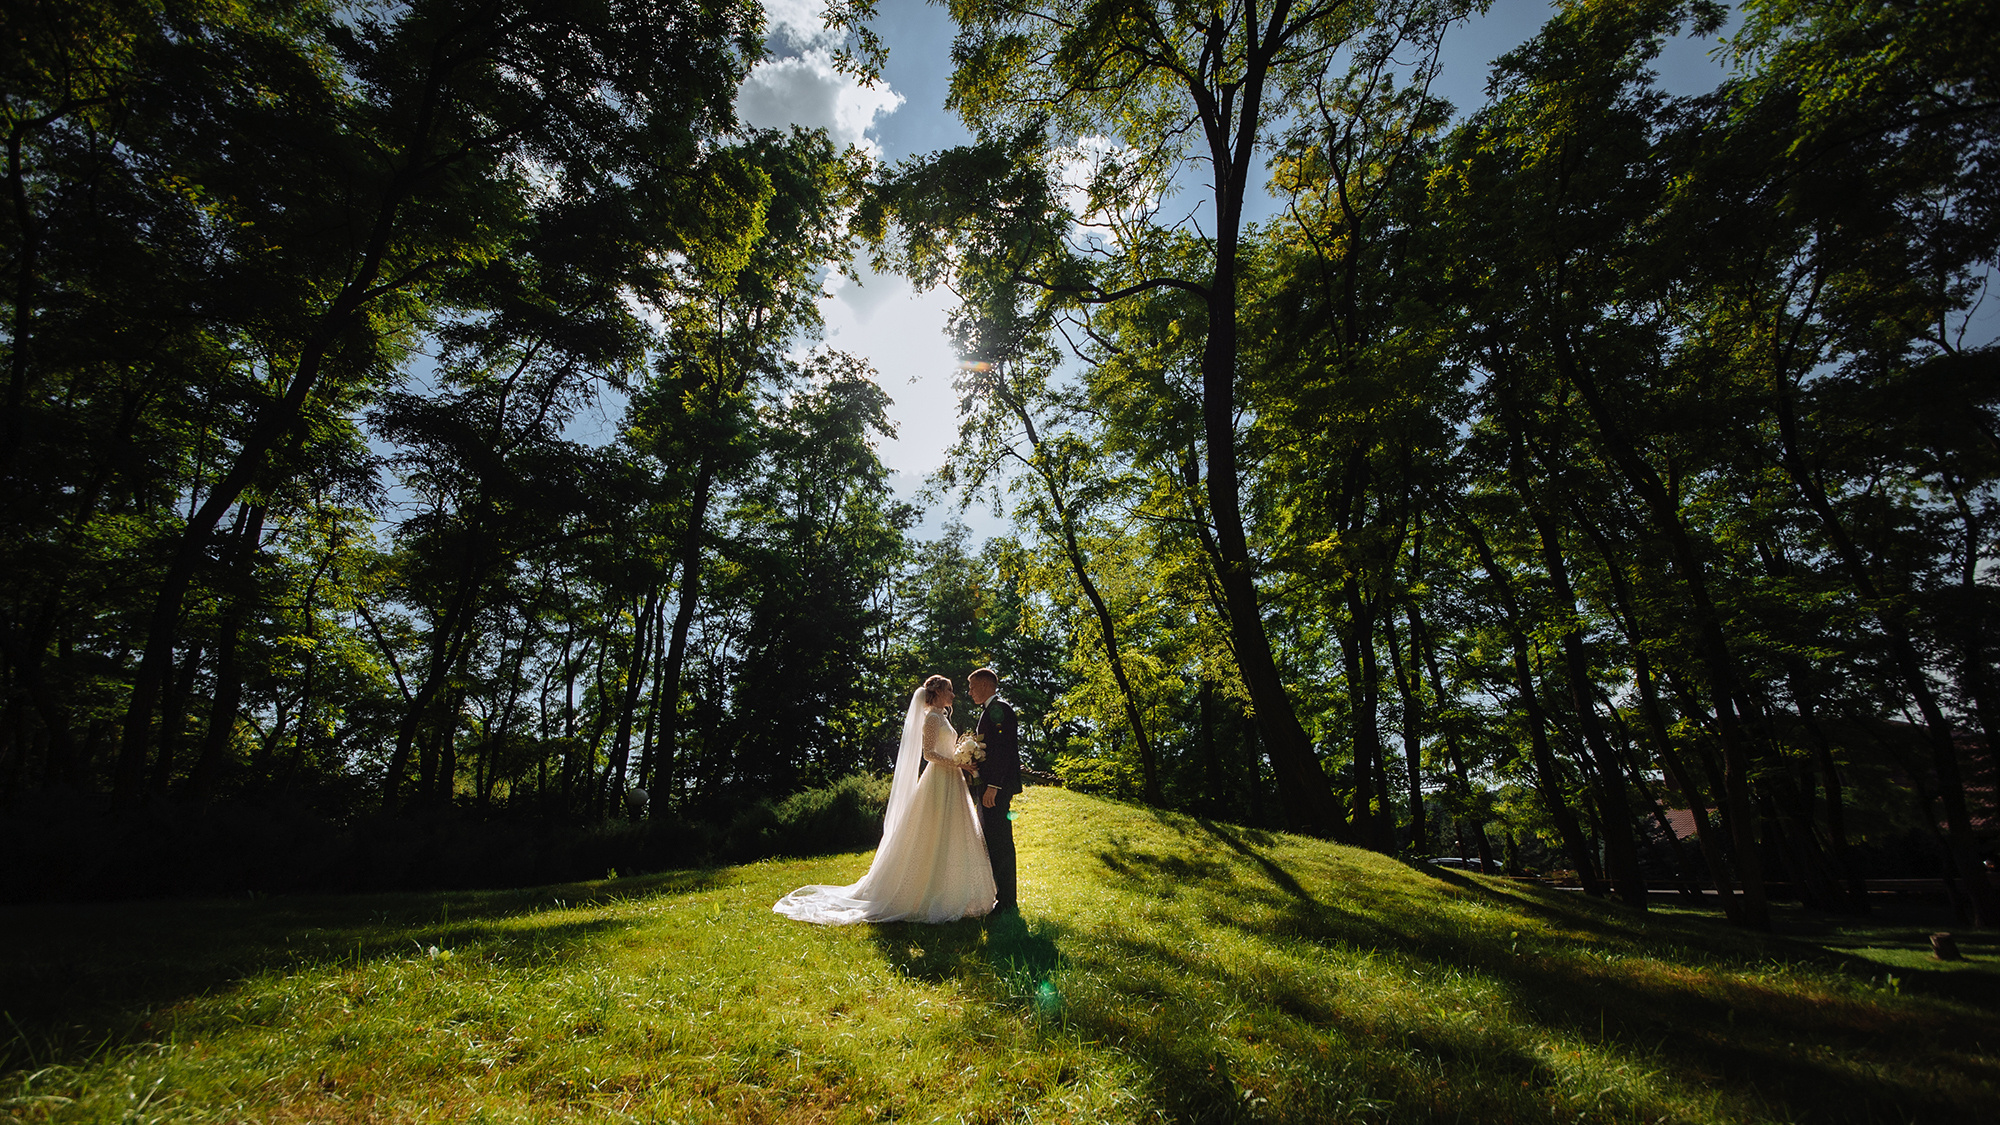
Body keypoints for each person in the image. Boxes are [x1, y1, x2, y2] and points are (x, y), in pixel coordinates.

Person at [772, 675, 996, 924]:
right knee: (931, 832)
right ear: (938, 692)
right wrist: (956, 761)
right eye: (950, 690)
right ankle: (922, 891)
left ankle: (951, 891)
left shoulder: (943, 717)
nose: (954, 695)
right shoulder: (931, 718)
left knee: (952, 832)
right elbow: (929, 754)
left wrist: (962, 759)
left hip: (952, 779)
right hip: (937, 780)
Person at [967, 667, 1021, 914]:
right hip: (989, 785)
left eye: (972, 687)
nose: (970, 692)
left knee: (1000, 842)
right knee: (994, 841)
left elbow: (1004, 750)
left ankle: (1008, 901)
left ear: (986, 685)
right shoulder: (990, 711)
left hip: (996, 788)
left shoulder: (1000, 709)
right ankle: (1001, 897)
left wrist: (994, 786)